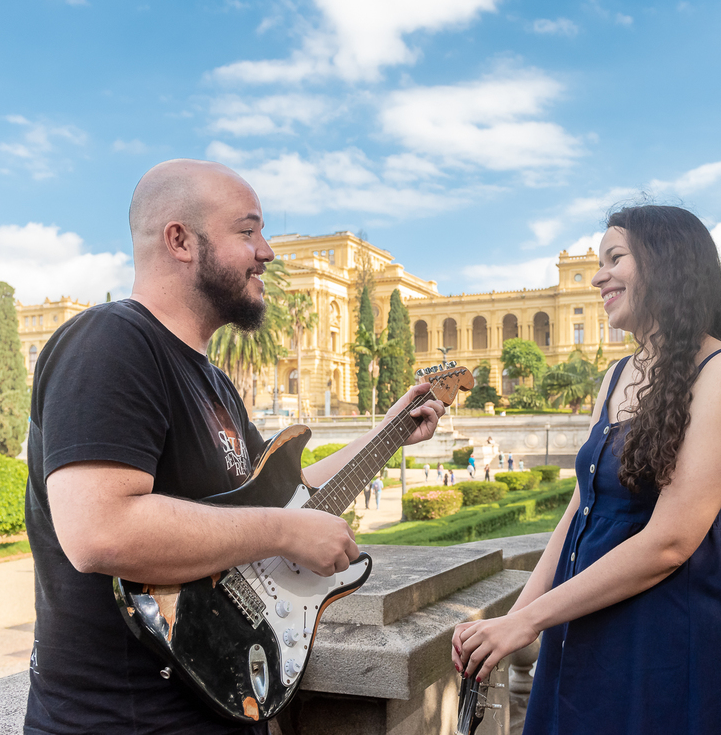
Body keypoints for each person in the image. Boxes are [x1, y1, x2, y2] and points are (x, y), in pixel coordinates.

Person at [24, 159, 445, 735]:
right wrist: (284, 533)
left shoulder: (214, 382)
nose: (267, 251)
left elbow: (287, 497)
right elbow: (99, 530)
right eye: (247, 232)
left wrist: (390, 430)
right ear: (179, 241)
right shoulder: (111, 341)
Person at [452, 204, 721, 735]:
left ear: (666, 263)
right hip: (583, 625)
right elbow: (579, 511)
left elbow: (670, 542)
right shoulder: (618, 374)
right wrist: (515, 621)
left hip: (663, 641)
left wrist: (528, 620)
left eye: (615, 259)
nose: (597, 277)